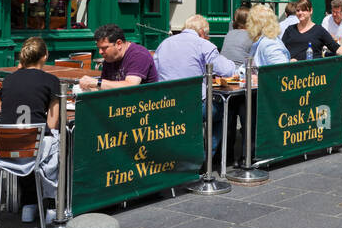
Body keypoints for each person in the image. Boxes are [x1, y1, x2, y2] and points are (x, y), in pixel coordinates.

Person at [0, 36, 60, 225]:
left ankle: (28, 205)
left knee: (25, 146)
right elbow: (53, 120)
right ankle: (51, 205)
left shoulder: (8, 80)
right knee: (56, 143)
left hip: (6, 148)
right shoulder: (51, 80)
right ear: (45, 56)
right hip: (35, 146)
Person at [155, 15, 240, 153]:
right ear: (201, 33)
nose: (208, 38)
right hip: (193, 106)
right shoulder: (203, 44)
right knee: (225, 109)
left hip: (166, 104)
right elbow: (228, 70)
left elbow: (156, 72)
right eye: (207, 35)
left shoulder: (164, 43)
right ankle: (207, 156)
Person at [77, 24, 158, 91]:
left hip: (142, 107)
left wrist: (97, 82)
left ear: (119, 44)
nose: (100, 52)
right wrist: (87, 90)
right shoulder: (110, 58)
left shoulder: (138, 55)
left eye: (104, 48)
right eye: (99, 48)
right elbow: (105, 88)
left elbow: (131, 86)